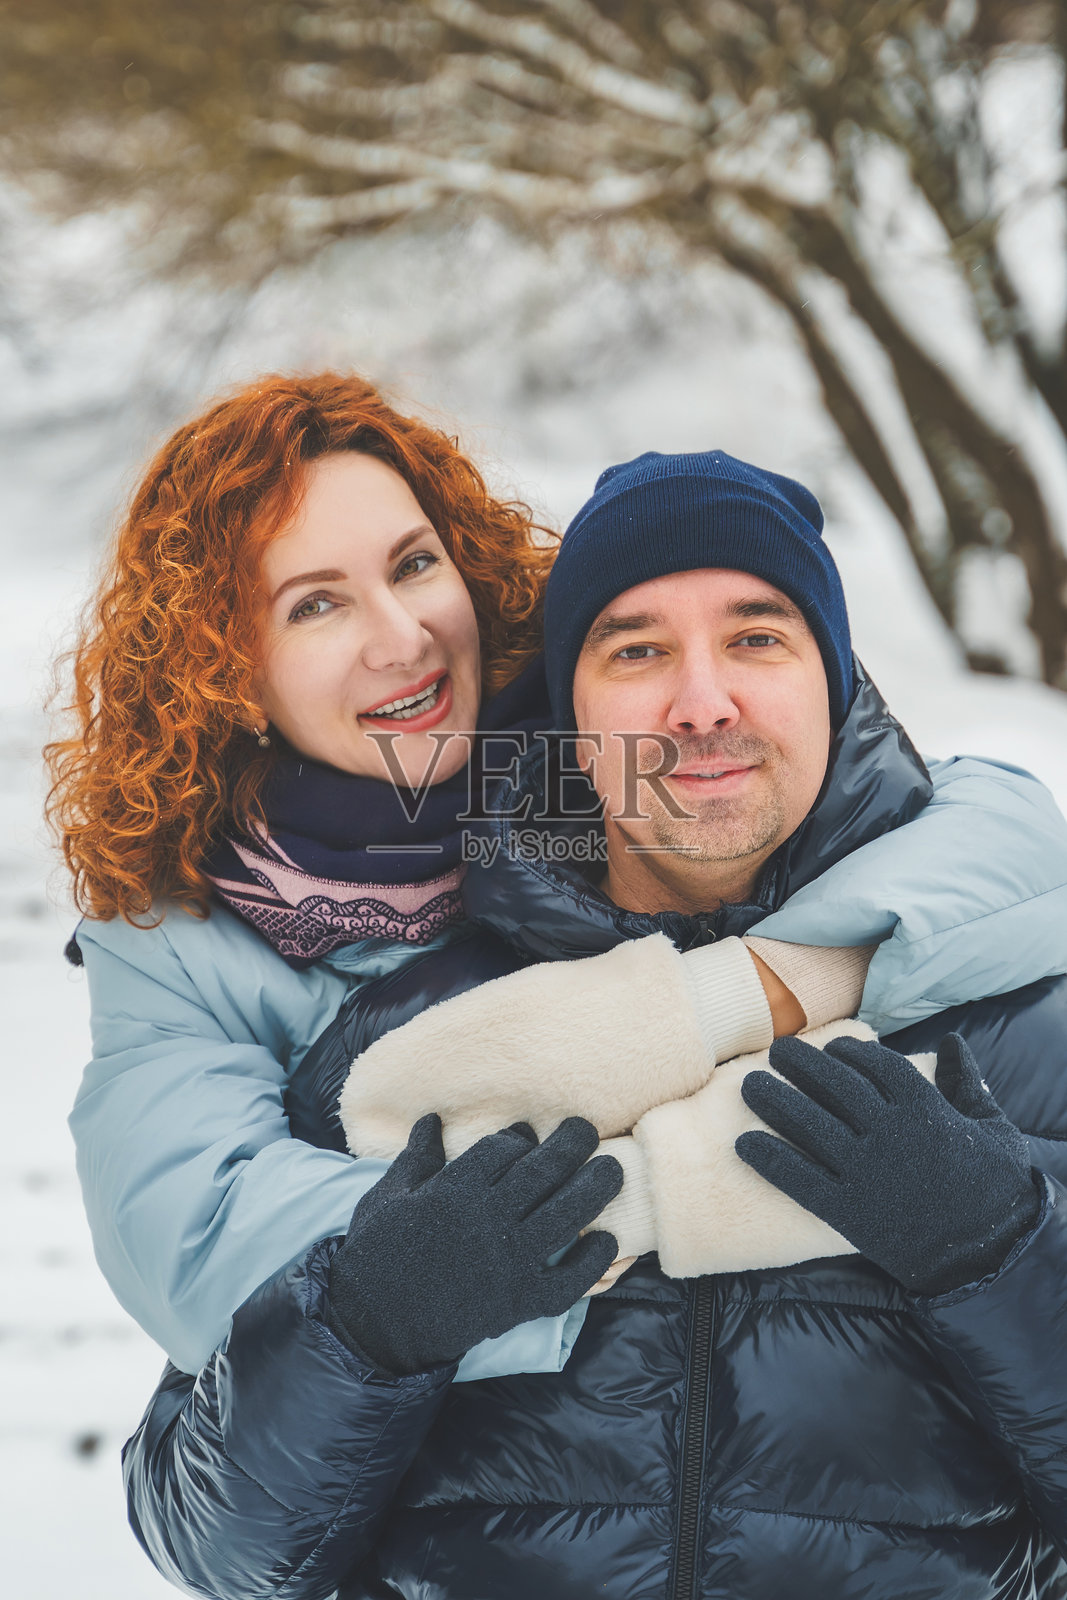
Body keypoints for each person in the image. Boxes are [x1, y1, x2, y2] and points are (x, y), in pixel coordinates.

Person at [122, 450, 1067, 1599]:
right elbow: (216, 1546)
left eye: (755, 637)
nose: (702, 701)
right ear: (572, 716)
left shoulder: (1018, 1032)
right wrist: (367, 1326)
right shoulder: (403, 1051)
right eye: (637, 651)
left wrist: (1006, 1253)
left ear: (832, 679)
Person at [56, 372, 991, 1385]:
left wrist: (777, 979)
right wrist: (628, 1203)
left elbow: (974, 826)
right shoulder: (179, 941)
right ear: (224, 668)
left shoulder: (609, 752)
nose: (400, 637)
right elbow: (204, 1254)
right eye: (315, 604)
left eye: (414, 565)